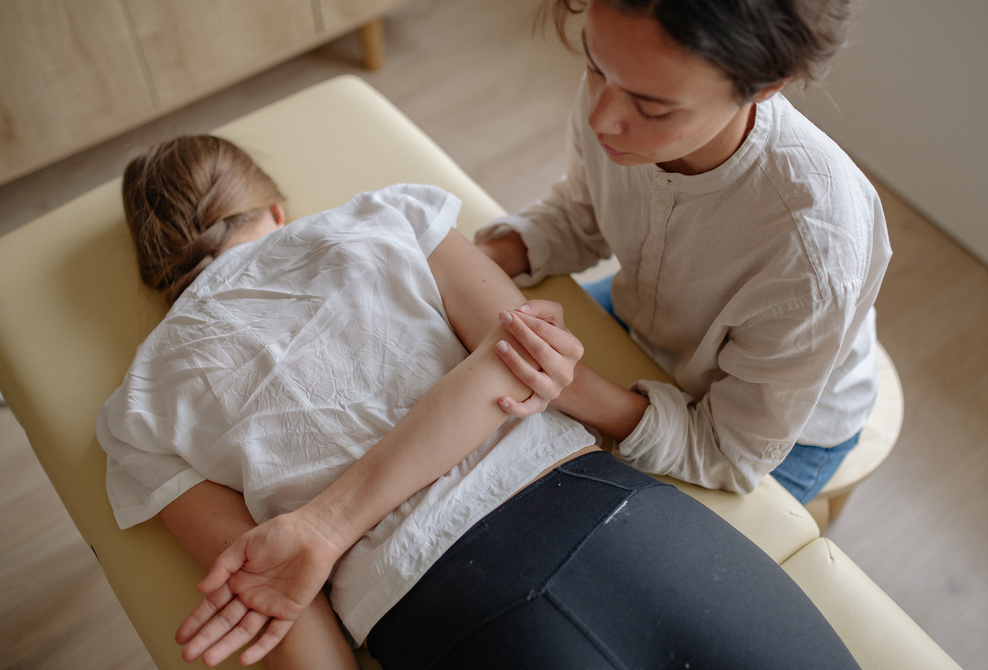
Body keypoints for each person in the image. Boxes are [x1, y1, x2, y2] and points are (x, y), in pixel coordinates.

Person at [97, 135, 859, 669]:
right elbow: (521, 359)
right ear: (277, 210)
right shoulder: (386, 216)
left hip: (437, 614)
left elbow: (272, 599)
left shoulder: (134, 414)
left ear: (157, 269)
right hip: (605, 512)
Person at [477, 0, 892, 503]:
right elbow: (582, 215)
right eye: (593, 65)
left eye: (652, 108)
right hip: (656, 320)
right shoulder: (626, 77)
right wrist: (486, 257)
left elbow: (727, 452)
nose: (602, 117)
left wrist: (570, 387)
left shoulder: (814, 251)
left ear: (764, 87)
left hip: (773, 435)